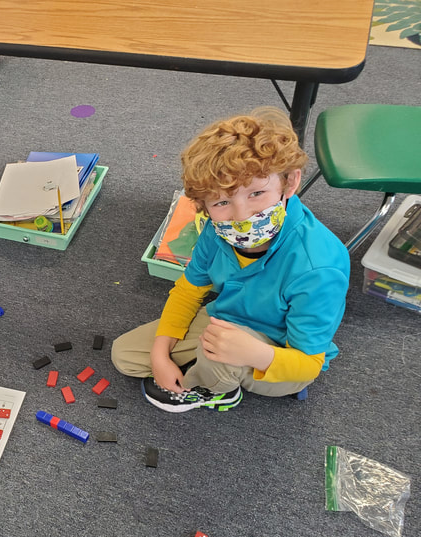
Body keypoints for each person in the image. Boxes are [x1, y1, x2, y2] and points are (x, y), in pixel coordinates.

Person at [112, 108, 350, 412]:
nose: (241, 216)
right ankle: (214, 366)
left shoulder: (318, 266)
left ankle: (217, 391)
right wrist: (160, 354)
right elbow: (188, 292)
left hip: (282, 352)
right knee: (125, 355)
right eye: (222, 201)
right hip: (227, 319)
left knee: (217, 359)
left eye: (256, 193)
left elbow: (308, 365)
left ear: (289, 183)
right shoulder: (216, 232)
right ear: (203, 205)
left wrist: (254, 354)